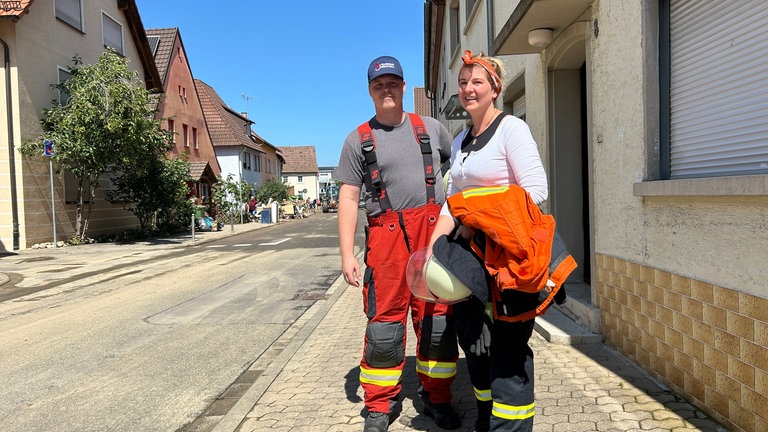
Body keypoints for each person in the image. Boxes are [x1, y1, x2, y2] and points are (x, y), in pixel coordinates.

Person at [336, 55, 461, 432]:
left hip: (432, 234)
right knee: (384, 328)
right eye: (379, 84)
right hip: (385, 240)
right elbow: (347, 198)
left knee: (437, 323)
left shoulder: (432, 129)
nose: (386, 89)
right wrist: (346, 255)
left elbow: (460, 171)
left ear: (405, 87)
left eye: (393, 82)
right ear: (370, 90)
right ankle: (379, 406)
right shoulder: (357, 140)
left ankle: (437, 398)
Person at [427, 50, 550, 432]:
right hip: (469, 261)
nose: (467, 89)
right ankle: (485, 418)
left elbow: (535, 191)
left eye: (476, 81)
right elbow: (452, 201)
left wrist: (477, 222)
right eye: (463, 82)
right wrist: (433, 249)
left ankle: (509, 426)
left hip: (507, 261)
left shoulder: (512, 129)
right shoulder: (462, 138)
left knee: (508, 353)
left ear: (494, 88)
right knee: (475, 344)